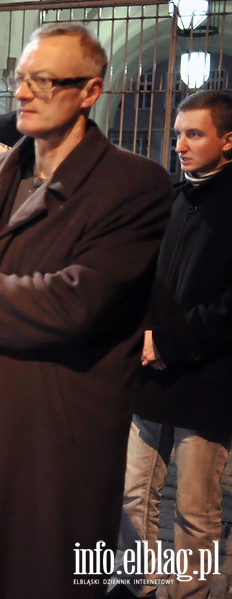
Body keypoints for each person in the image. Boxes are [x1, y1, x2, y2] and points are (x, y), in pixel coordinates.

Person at [0, 23, 172, 599]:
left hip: (58, 433)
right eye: (20, 78)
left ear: (90, 91)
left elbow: (78, 299)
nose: (24, 93)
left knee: (47, 579)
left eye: (45, 80)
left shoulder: (135, 185)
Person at [109, 91, 232, 599]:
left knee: (195, 508)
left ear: (228, 139)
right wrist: (143, 336)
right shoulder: (174, 198)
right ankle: (137, 586)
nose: (180, 144)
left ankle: (190, 594)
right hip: (152, 373)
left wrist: (170, 341)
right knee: (131, 492)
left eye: (194, 134)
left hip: (208, 379)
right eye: (177, 133)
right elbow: (146, 281)